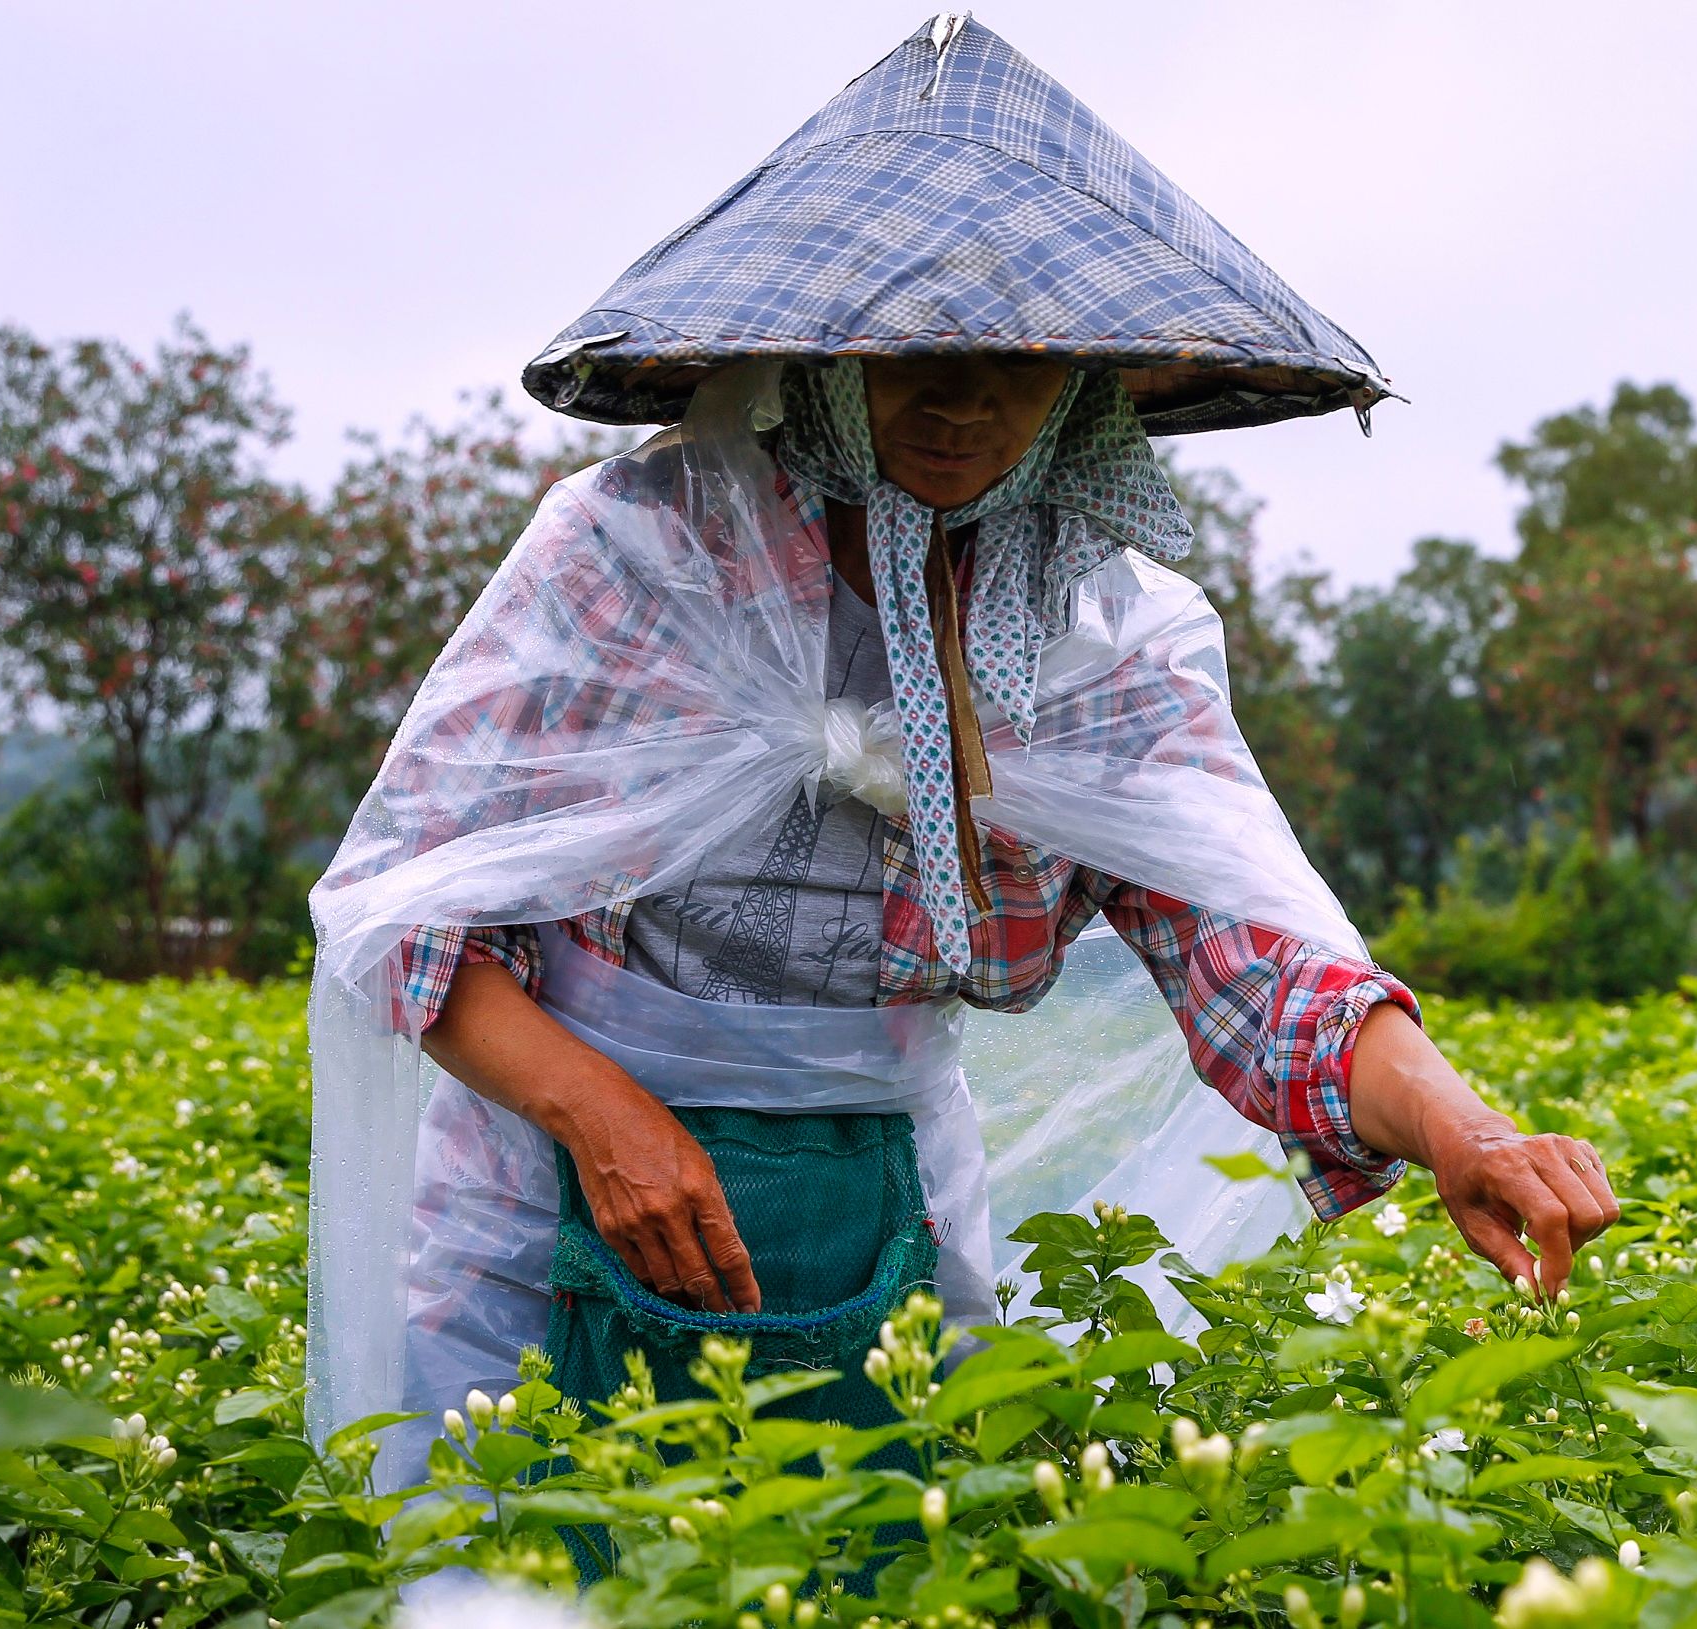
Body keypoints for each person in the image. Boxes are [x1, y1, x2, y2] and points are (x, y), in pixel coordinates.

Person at [301, 16, 1617, 1484]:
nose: (962, 398)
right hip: (548, 1182)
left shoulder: (1100, 628)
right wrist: (599, 1112)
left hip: (880, 1192)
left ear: (1085, 382)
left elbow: (1248, 952)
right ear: (818, 353)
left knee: (873, 1539)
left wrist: (1460, 1122)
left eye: (1017, 357)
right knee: (521, 1542)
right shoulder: (632, 552)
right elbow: (408, 912)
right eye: (911, 351)